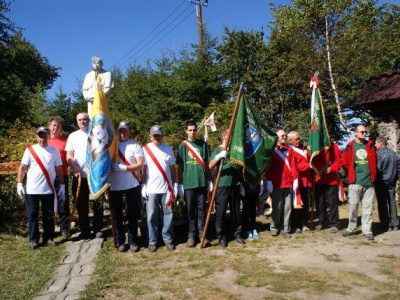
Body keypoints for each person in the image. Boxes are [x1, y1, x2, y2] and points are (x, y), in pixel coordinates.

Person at [17, 127, 65, 250]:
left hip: (48, 189)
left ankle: (48, 238)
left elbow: (59, 169)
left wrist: (62, 185)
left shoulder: (54, 151)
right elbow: (22, 167)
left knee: (48, 215)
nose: (42, 138)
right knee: (32, 215)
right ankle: (33, 240)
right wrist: (19, 183)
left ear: (48, 136)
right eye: (40, 136)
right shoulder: (30, 150)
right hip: (32, 190)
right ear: (37, 137)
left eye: (45, 135)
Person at [66, 113, 104, 239]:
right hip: (79, 176)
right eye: (80, 120)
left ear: (89, 121)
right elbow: (69, 156)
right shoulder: (73, 136)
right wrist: (75, 168)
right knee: (81, 204)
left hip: (95, 175)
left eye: (85, 119)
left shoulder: (96, 133)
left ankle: (98, 228)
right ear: (76, 122)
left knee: (98, 202)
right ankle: (85, 230)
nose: (83, 122)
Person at [176, 121, 212, 248]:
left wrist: (209, 179)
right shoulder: (183, 146)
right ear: (186, 131)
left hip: (201, 182)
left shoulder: (202, 144)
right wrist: (179, 184)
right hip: (188, 183)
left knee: (202, 210)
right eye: (190, 130)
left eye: (194, 130)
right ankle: (191, 236)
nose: (192, 132)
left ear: (197, 130)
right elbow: (179, 167)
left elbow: (207, 164)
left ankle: (202, 235)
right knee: (190, 211)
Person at [142, 125, 177, 252]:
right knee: (151, 216)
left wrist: (175, 185)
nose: (156, 138)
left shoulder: (168, 149)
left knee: (168, 214)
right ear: (150, 137)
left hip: (166, 189)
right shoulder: (145, 149)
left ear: (162, 136)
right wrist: (143, 185)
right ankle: (152, 241)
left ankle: (167, 240)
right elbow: (143, 169)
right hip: (151, 189)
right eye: (154, 135)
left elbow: (173, 169)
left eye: (159, 135)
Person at [110, 121, 143, 252]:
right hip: (115, 186)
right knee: (117, 216)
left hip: (132, 185)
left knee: (133, 215)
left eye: (125, 130)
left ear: (129, 131)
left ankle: (133, 240)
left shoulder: (135, 145)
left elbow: (140, 165)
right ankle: (120, 241)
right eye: (120, 130)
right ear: (117, 131)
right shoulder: (111, 146)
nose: (122, 133)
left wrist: (124, 168)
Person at [209, 129, 244, 247]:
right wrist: (219, 157)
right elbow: (209, 165)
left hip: (235, 184)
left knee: (235, 211)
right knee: (221, 212)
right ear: (224, 137)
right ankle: (221, 236)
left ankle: (236, 233)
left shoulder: (235, 150)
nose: (232, 137)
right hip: (223, 185)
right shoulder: (217, 149)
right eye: (230, 135)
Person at [342, 125, 377, 241]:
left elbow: (375, 160)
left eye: (365, 132)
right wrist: (352, 172)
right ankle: (351, 227)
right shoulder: (350, 146)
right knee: (353, 205)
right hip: (355, 181)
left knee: (367, 207)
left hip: (368, 181)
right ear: (355, 133)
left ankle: (367, 230)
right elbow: (345, 162)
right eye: (362, 132)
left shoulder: (370, 145)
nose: (364, 133)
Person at [264, 129, 298, 239]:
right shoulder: (271, 151)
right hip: (277, 183)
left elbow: (293, 165)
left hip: (288, 183)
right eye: (282, 136)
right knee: (277, 207)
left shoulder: (289, 150)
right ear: (276, 137)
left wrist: (295, 179)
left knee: (288, 208)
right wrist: (268, 180)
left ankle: (286, 229)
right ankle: (274, 227)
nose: (284, 137)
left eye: (285, 135)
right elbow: (268, 168)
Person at [47, 116, 70, 240]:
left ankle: (64, 228)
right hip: (48, 178)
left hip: (63, 176)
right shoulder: (44, 141)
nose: (55, 128)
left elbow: (69, 158)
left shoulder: (65, 142)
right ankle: (50, 228)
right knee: (49, 203)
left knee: (63, 202)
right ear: (49, 126)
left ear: (61, 128)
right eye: (53, 125)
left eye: (58, 126)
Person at [313, 141, 342, 233]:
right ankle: (321, 221)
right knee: (319, 202)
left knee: (332, 202)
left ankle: (334, 223)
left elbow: (338, 161)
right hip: (319, 178)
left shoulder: (333, 146)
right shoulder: (315, 145)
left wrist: (331, 168)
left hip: (331, 180)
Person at [287, 131, 312, 233]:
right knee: (296, 204)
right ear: (290, 141)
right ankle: (295, 225)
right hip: (297, 181)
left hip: (306, 181)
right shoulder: (290, 150)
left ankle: (304, 223)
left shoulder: (304, 148)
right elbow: (295, 166)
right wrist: (308, 166)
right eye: (296, 139)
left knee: (306, 204)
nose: (298, 141)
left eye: (298, 139)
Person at [375, 136, 400, 232]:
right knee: (392, 202)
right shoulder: (393, 154)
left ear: (381, 143)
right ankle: (395, 224)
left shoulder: (378, 154)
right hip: (392, 181)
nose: (375, 145)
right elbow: (398, 168)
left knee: (382, 203)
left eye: (376, 143)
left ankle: (386, 224)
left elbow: (378, 168)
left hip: (381, 181)